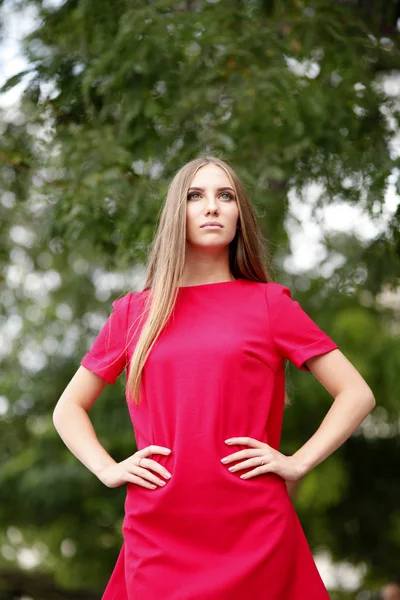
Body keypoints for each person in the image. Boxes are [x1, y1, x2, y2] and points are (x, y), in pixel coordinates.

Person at [53, 156, 376, 600]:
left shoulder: (269, 304)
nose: (212, 207)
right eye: (195, 196)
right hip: (159, 527)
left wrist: (297, 462)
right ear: (176, 214)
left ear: (239, 214)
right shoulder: (135, 312)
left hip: (254, 527)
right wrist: (108, 469)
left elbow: (356, 393)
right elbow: (68, 408)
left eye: (225, 196)